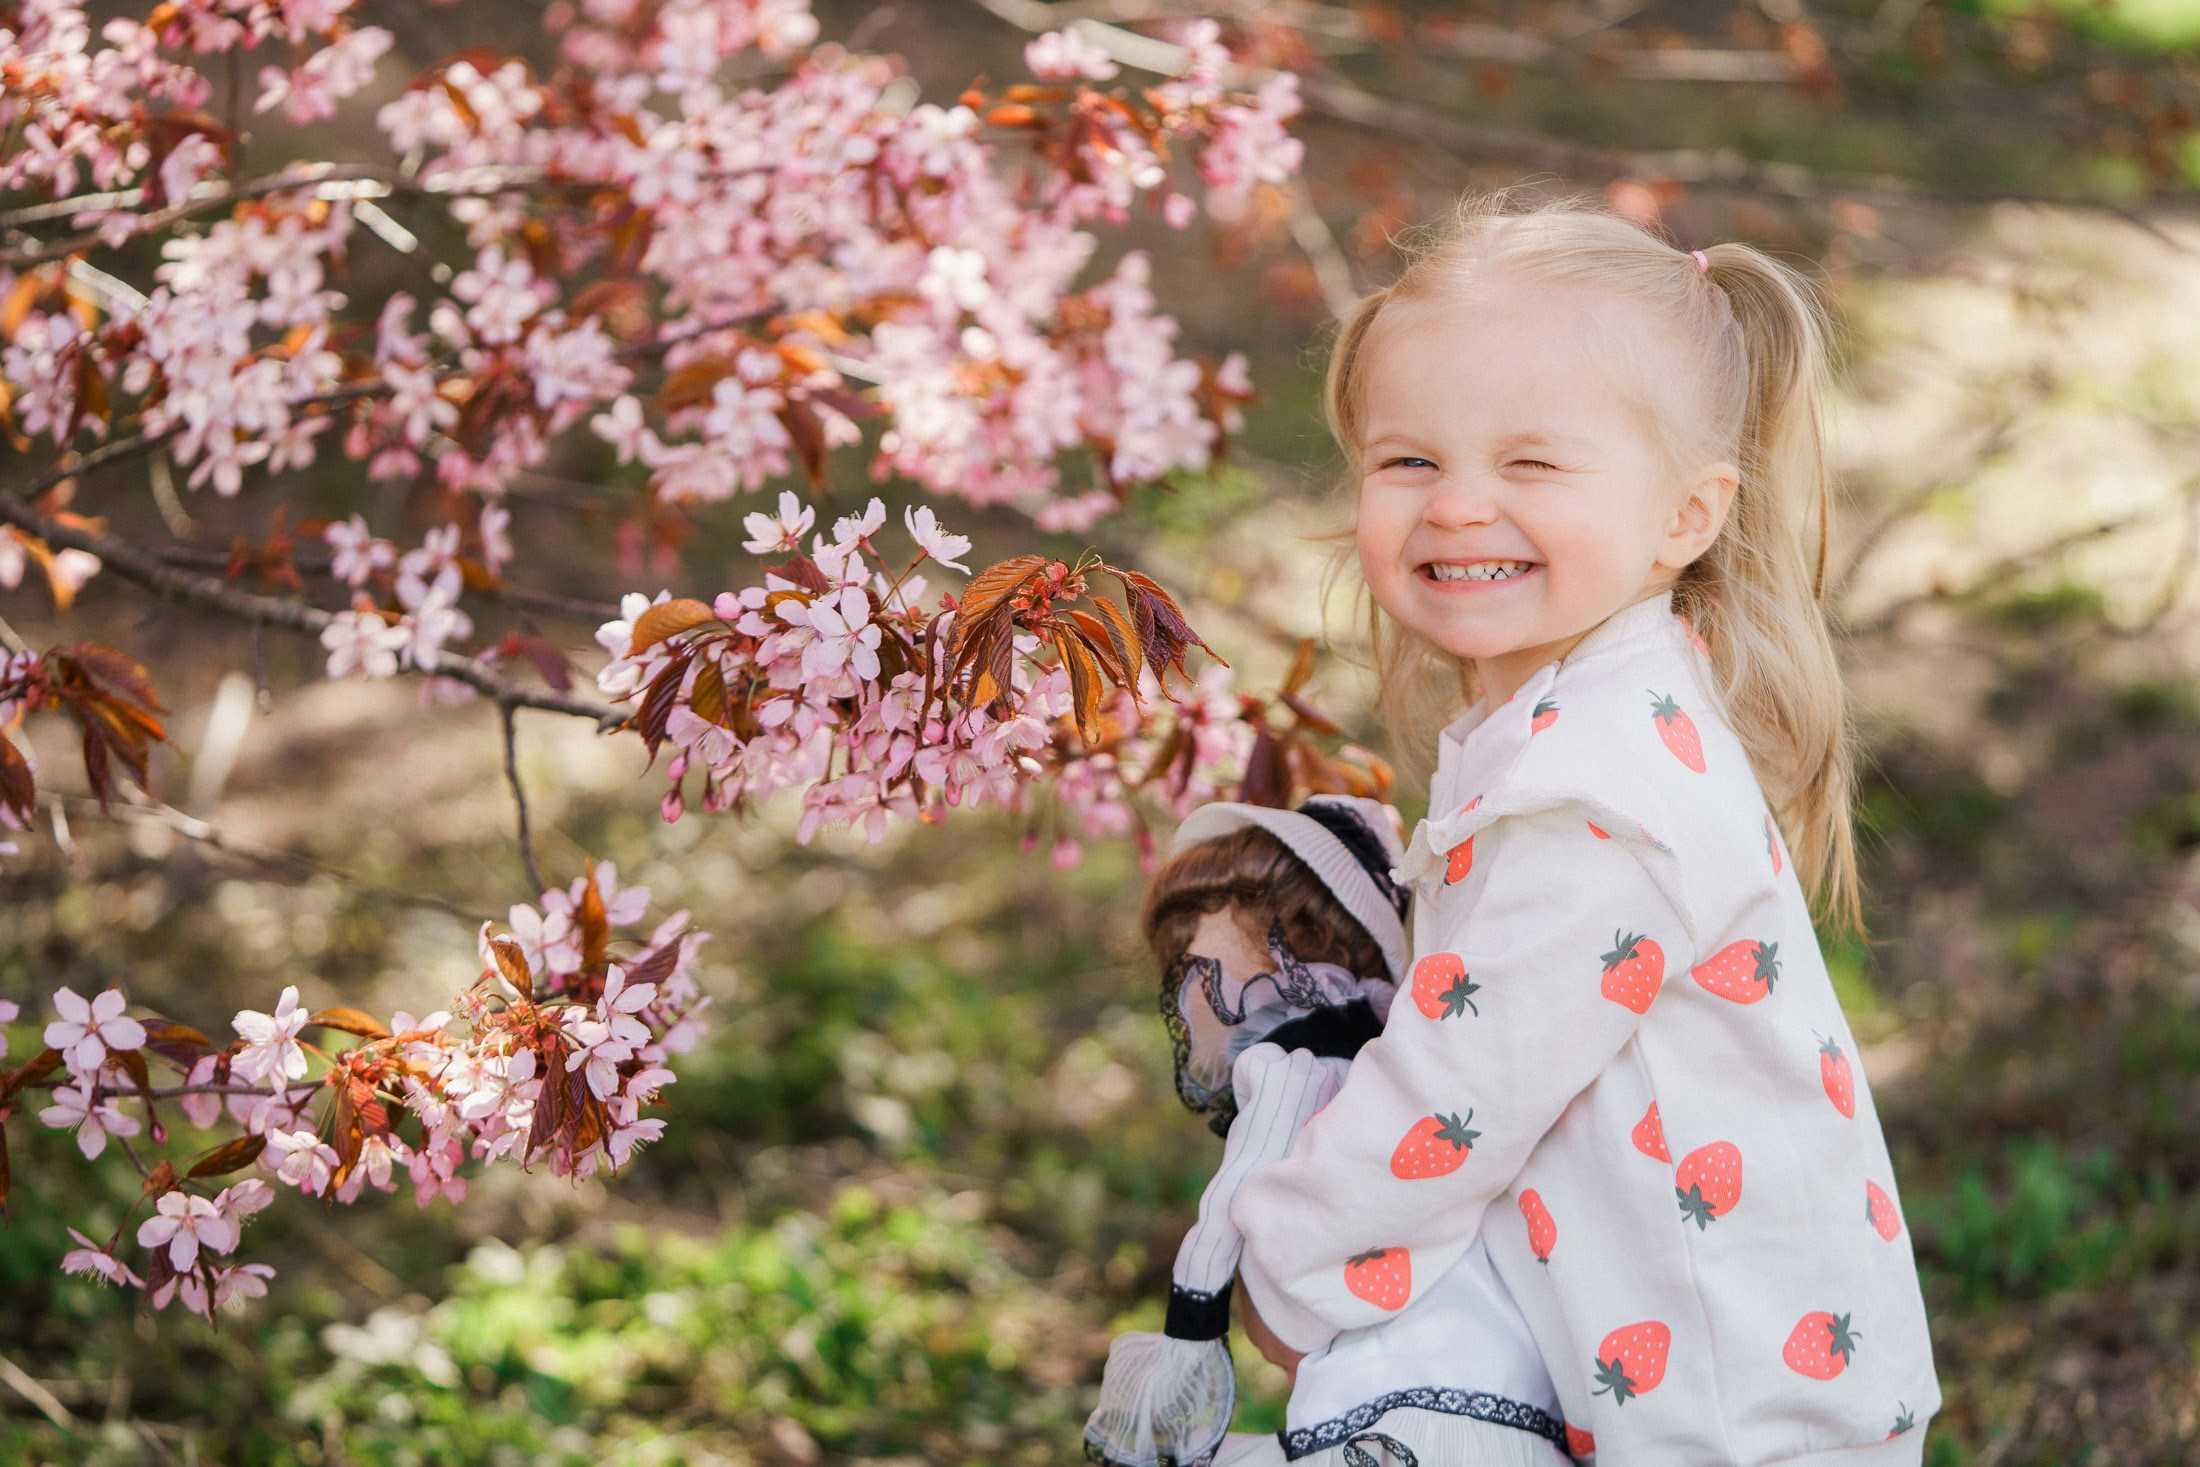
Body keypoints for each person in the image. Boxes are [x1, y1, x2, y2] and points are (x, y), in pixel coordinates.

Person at [1226, 191, 1939, 1465]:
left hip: (1725, 1403)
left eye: (1531, 464)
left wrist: (1286, 1256)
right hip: (1678, 1353)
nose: (1454, 506)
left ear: (1687, 516)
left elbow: (1465, 1085)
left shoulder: (1599, 793)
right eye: (1410, 461)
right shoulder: (1594, 702)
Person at [1085, 794, 1571, 1467]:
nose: (1185, 971)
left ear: (1288, 935)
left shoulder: (1286, 1069)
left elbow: (1230, 1207)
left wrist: (1189, 1331)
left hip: (1378, 1410)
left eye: (1197, 933)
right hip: (1513, 1404)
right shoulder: (1419, 1077)